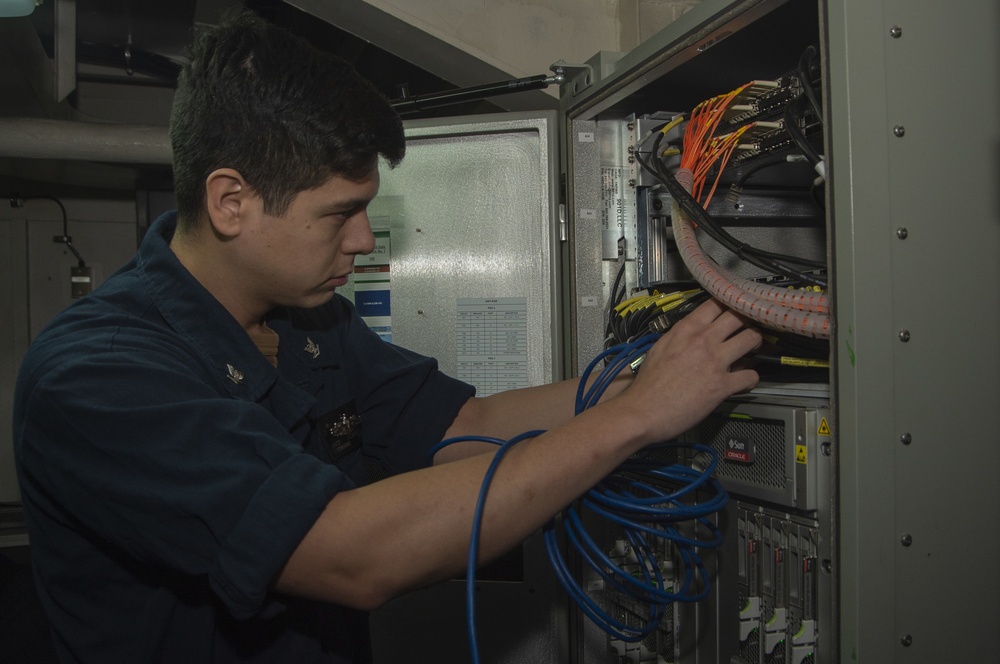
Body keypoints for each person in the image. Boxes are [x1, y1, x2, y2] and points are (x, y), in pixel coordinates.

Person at [12, 11, 762, 664]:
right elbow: (351, 555)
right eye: (341, 213)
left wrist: (651, 380)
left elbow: (462, 426)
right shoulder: (98, 375)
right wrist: (632, 420)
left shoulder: (308, 320)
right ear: (231, 201)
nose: (366, 239)